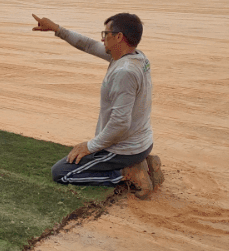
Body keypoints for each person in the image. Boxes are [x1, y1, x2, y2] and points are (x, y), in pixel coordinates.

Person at [31, 12, 164, 199]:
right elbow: (88, 45)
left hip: (123, 149)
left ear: (119, 37)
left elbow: (120, 124)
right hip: (142, 143)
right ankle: (143, 164)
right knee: (75, 160)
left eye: (106, 33)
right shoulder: (136, 57)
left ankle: (127, 174)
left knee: (61, 172)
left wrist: (90, 146)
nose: (102, 39)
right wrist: (57, 29)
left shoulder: (125, 72)